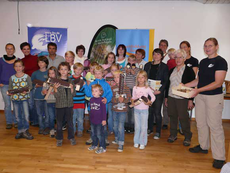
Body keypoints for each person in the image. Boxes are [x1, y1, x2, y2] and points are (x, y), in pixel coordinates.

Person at [185, 38, 227, 169]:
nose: (207, 48)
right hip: (201, 96)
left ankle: (220, 157)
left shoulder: (221, 62)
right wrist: (185, 85)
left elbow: (218, 83)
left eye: (210, 46)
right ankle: (203, 146)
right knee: (201, 122)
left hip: (214, 97)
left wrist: (197, 90)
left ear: (216, 47)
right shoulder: (203, 62)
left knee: (215, 126)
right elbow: (198, 80)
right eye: (205, 46)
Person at [165, 49, 195, 146]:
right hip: (171, 97)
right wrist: (166, 97)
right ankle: (173, 134)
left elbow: (192, 86)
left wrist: (191, 100)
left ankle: (187, 136)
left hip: (183, 98)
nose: (178, 59)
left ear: (184, 58)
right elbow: (168, 85)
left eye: (180, 57)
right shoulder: (171, 70)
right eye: (176, 57)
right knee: (172, 116)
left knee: (183, 117)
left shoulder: (189, 70)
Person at [84, 65, 113, 146]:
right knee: (93, 125)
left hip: (103, 109)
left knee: (103, 124)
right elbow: (88, 94)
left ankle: (104, 138)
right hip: (93, 109)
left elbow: (109, 93)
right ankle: (92, 138)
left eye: (99, 73)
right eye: (96, 73)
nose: (97, 75)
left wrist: (107, 99)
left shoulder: (106, 84)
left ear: (103, 74)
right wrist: (86, 85)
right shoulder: (92, 84)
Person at [144, 48, 168, 139]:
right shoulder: (147, 65)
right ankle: (150, 129)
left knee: (157, 112)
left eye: (158, 54)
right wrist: (146, 87)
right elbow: (144, 77)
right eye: (154, 54)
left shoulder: (164, 67)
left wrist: (160, 90)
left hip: (158, 92)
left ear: (161, 56)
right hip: (148, 91)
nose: (156, 56)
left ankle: (158, 131)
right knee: (149, 111)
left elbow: (166, 81)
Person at [8, 60, 33, 140]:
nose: (18, 68)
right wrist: (10, 92)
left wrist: (27, 90)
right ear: (14, 67)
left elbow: (30, 86)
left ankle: (25, 131)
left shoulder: (27, 77)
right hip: (15, 100)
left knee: (26, 115)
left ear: (23, 67)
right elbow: (10, 88)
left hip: (24, 99)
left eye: (20, 66)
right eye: (16, 66)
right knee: (17, 116)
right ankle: (20, 131)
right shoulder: (12, 78)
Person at [53, 62, 76, 147]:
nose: (63, 71)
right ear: (59, 71)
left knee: (70, 122)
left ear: (69, 71)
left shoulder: (71, 81)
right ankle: (59, 138)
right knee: (59, 123)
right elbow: (56, 96)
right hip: (60, 105)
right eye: (61, 69)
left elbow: (74, 95)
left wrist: (72, 88)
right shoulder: (56, 82)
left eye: (65, 69)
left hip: (69, 105)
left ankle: (71, 137)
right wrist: (55, 89)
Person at [132, 70, 155, 150]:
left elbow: (153, 97)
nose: (140, 79)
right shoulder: (135, 88)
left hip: (144, 110)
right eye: (139, 77)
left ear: (145, 79)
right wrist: (132, 102)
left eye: (142, 77)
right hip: (136, 110)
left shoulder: (147, 88)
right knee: (137, 126)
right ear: (137, 79)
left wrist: (149, 102)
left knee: (144, 127)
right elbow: (133, 97)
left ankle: (142, 142)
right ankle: (136, 141)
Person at [111, 70, 131, 152]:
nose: (116, 79)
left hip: (122, 110)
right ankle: (116, 138)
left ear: (123, 78)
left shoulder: (126, 88)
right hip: (114, 110)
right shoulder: (113, 88)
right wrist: (116, 99)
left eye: (118, 77)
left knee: (120, 126)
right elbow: (111, 98)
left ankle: (121, 143)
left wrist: (124, 100)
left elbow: (129, 99)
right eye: (115, 77)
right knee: (115, 126)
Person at [20, 42, 39, 126]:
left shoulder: (36, 58)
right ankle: (33, 120)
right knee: (30, 103)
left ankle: (39, 120)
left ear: (30, 49)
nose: (26, 50)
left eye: (28, 49)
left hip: (37, 83)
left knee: (37, 103)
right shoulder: (21, 61)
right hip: (28, 84)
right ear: (22, 50)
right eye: (24, 49)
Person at [0, 43, 17, 129]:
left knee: (16, 104)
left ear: (14, 50)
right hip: (4, 85)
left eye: (11, 48)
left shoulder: (18, 60)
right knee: (7, 105)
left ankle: (17, 121)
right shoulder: (1, 60)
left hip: (15, 86)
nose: (10, 50)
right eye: (8, 48)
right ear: (6, 50)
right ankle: (9, 122)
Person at [122, 55, 140, 133]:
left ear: (135, 62)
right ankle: (126, 125)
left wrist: (133, 74)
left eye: (133, 61)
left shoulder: (138, 70)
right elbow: (121, 79)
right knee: (126, 108)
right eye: (130, 61)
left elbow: (138, 80)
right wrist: (126, 73)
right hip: (126, 90)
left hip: (134, 90)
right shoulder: (123, 69)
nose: (131, 62)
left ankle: (132, 125)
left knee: (132, 108)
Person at [31, 56, 49, 135]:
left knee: (47, 113)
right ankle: (41, 127)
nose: (40, 64)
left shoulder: (49, 73)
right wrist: (35, 86)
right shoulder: (35, 73)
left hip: (47, 97)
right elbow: (31, 84)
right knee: (39, 113)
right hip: (37, 96)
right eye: (39, 62)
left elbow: (52, 83)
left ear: (46, 63)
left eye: (42, 62)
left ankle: (47, 127)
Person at [87, 84, 107, 154]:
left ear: (100, 92)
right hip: (93, 120)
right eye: (93, 91)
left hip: (100, 121)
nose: (94, 92)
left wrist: (104, 119)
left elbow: (104, 111)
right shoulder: (91, 99)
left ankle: (102, 147)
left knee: (100, 134)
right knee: (93, 134)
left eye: (96, 91)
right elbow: (91, 110)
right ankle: (94, 144)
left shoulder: (102, 100)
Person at [69, 63, 86, 137]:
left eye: (80, 69)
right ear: (74, 69)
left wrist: (83, 85)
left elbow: (84, 90)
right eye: (77, 69)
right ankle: (73, 130)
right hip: (72, 101)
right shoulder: (70, 79)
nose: (78, 71)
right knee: (72, 117)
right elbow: (68, 90)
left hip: (81, 101)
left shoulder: (83, 79)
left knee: (80, 118)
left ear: (82, 71)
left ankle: (80, 130)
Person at [41, 66, 58, 138]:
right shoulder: (46, 82)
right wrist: (44, 92)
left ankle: (58, 129)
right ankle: (52, 129)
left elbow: (60, 92)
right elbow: (42, 92)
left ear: (56, 74)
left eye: (53, 73)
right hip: (49, 102)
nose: (51, 75)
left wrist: (55, 91)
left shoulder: (58, 82)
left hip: (57, 102)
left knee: (57, 117)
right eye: (49, 73)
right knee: (51, 117)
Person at [159, 39, 170, 129]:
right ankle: (155, 120)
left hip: (167, 82)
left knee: (165, 103)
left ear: (166, 47)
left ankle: (165, 122)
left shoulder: (169, 57)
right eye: (161, 45)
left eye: (164, 45)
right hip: (157, 84)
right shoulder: (157, 56)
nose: (162, 46)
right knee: (156, 103)